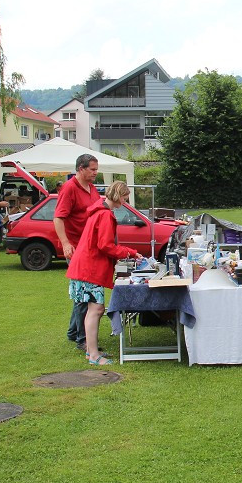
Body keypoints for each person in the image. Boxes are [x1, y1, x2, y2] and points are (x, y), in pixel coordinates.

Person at [66, 181, 143, 365]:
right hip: (89, 268)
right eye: (125, 197)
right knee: (95, 309)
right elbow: (105, 245)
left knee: (92, 310)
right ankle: (93, 355)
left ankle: (91, 351)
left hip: (83, 266)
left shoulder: (98, 212)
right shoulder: (105, 216)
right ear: (119, 195)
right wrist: (129, 252)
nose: (126, 201)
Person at [54, 154, 101, 352]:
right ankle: (83, 339)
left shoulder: (92, 189)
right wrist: (65, 243)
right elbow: (58, 218)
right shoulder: (70, 188)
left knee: (81, 293)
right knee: (84, 293)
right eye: (92, 169)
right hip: (76, 248)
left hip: (89, 247)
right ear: (80, 169)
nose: (95, 173)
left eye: (96, 169)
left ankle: (74, 333)